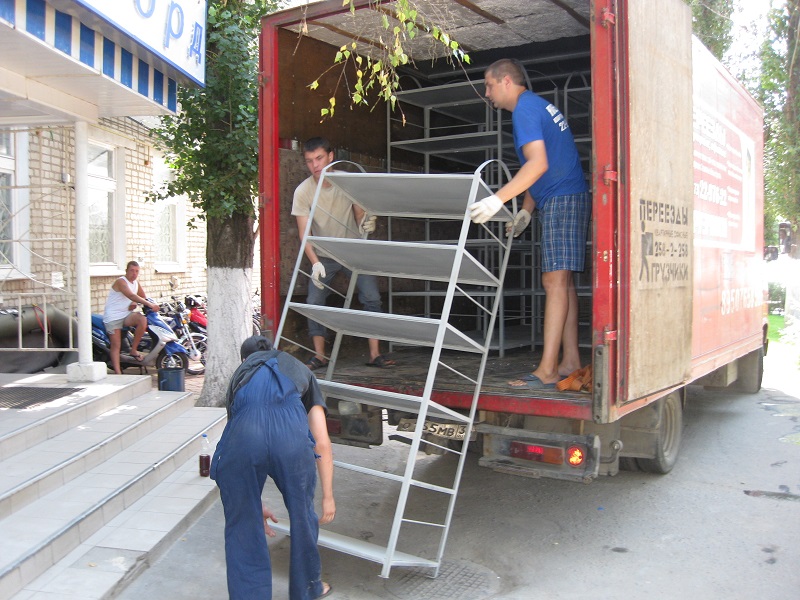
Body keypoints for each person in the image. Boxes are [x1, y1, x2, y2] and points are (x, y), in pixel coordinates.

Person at [469, 58, 590, 389]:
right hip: (563, 195)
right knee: (563, 282)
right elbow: (544, 166)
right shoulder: (536, 107)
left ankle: (549, 369)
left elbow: (538, 164)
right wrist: (525, 209)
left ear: (506, 81)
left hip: (563, 198)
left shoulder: (524, 110)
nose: (487, 93)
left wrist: (498, 199)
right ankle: (570, 361)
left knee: (554, 281)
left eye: (489, 85)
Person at [210, 335, 335, 600]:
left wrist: (254, 502)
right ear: (275, 351)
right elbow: (321, 443)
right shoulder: (300, 370)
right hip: (291, 439)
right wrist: (328, 496)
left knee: (242, 522)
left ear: (245, 359)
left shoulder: (241, 375)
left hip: (245, 436)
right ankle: (309, 588)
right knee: (303, 515)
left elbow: (239, 443)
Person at [291, 136, 395, 370]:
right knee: (314, 302)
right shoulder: (303, 192)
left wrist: (368, 223)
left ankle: (374, 355)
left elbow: (360, 215)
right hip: (324, 255)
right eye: (309, 161)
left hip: (353, 251)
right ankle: (319, 356)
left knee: (372, 298)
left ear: (330, 156)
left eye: (319, 158)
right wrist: (315, 263)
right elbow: (304, 233)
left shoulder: (347, 182)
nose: (315, 165)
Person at [102, 260, 159, 374]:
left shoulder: (136, 283)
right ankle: (118, 373)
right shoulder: (121, 282)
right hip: (113, 317)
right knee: (116, 345)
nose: (134, 273)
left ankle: (133, 350)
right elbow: (131, 295)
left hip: (125, 315)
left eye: (137, 271)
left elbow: (143, 297)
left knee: (142, 319)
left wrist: (136, 303)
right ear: (126, 271)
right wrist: (149, 304)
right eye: (132, 270)